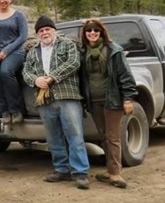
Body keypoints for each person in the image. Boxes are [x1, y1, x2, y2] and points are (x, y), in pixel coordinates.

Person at [23, 15, 91, 190]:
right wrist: (36, 80)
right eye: (41, 31)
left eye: (47, 29)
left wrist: (53, 77)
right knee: (53, 136)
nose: (44, 33)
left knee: (74, 134)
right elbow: (26, 72)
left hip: (67, 96)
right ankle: (61, 169)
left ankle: (80, 172)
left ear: (53, 30)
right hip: (44, 98)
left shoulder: (67, 44)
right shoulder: (33, 51)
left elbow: (74, 63)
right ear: (37, 34)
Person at [79, 18, 137, 189]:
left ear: (101, 32)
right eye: (89, 31)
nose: (92, 33)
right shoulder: (82, 53)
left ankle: (115, 173)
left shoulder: (114, 51)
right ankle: (109, 169)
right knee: (103, 136)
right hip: (94, 101)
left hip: (112, 99)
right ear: (85, 34)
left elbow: (126, 77)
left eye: (96, 30)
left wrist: (128, 98)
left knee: (113, 136)